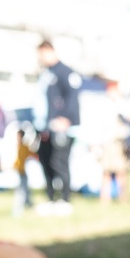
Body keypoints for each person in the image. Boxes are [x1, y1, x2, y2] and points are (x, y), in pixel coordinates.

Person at [36, 40, 81, 213]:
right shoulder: (46, 73)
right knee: (46, 160)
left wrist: (66, 119)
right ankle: (51, 197)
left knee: (60, 161)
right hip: (45, 127)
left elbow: (72, 97)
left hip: (61, 127)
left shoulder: (65, 72)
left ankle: (65, 198)